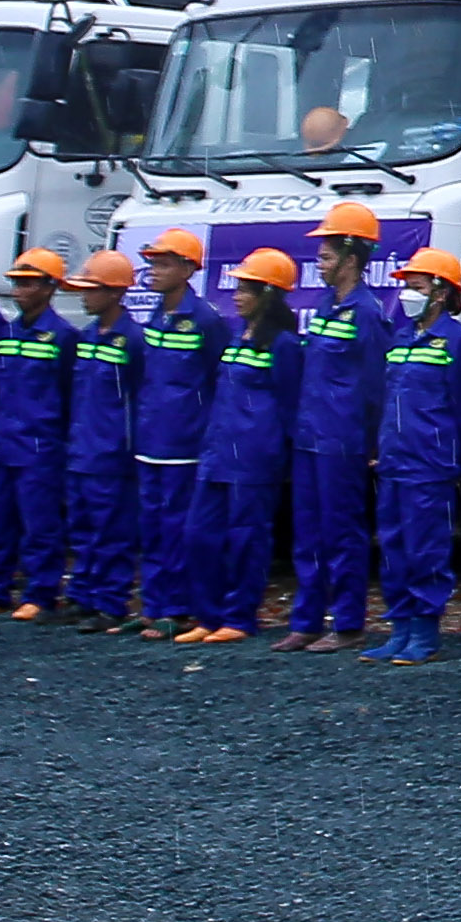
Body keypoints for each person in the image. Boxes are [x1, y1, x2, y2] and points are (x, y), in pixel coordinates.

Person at [169, 249, 305, 645]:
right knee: (199, 534)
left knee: (247, 539)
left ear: (267, 293)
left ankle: (239, 616)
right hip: (216, 453)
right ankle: (207, 615)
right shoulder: (234, 337)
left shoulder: (282, 345)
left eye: (246, 289)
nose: (237, 295)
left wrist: (281, 456)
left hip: (254, 458)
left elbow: (289, 402)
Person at [277, 207, 391, 653]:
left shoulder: (367, 312)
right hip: (310, 436)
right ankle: (306, 620)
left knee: (342, 532)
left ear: (350, 258)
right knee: (307, 532)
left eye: (326, 256)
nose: (319, 263)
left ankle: (347, 623)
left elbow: (375, 384)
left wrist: (372, 441)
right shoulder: (328, 306)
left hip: (342, 441)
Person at [364, 246, 461, 665]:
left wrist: (454, 459)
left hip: (429, 466)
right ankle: (399, 627)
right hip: (395, 462)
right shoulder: (401, 338)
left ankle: (424, 631)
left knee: (426, 549)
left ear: (439, 292)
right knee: (394, 547)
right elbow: (389, 398)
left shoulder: (458, 341)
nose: (406, 296)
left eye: (415, 287)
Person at [0, 250, 76, 619]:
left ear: (50, 287)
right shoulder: (7, 332)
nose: (20, 290)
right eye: (17, 282)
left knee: (40, 524)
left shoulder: (62, 337)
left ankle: (41, 594)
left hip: (40, 446)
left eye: (29, 283)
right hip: (4, 442)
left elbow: (68, 395)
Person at [124, 230, 220, 635]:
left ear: (188, 269)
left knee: (178, 528)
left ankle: (177, 609)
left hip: (185, 444)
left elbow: (217, 380)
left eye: (163, 264)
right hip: (151, 441)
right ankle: (154, 604)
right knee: (151, 526)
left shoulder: (206, 320)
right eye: (152, 263)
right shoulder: (156, 316)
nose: (154, 271)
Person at [58, 250, 146, 634]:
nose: (83, 296)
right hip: (81, 450)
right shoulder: (87, 336)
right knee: (81, 526)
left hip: (112, 454)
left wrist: (125, 447)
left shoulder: (134, 340)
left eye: (91, 289)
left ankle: (110, 602)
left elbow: (140, 398)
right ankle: (83, 595)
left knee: (111, 531)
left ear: (114, 292)